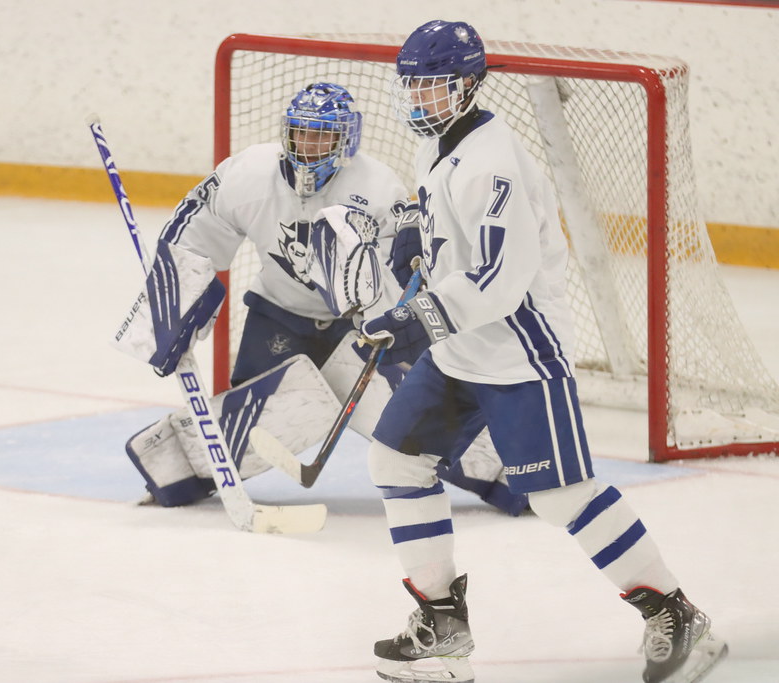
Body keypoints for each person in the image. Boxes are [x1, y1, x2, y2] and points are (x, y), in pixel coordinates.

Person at [359, 20, 728, 683]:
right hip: (458, 348)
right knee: (395, 456)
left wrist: (417, 320)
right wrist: (414, 232)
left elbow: (499, 282)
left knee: (562, 496)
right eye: (411, 87)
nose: (419, 101)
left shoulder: (495, 163)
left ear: (469, 86)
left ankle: (675, 611)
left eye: (434, 89)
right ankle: (442, 626)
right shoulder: (438, 145)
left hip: (517, 352)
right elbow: (442, 216)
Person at [113, 82, 526, 516]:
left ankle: (516, 478)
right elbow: (195, 230)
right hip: (278, 315)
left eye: (322, 134)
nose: (308, 145)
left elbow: (404, 265)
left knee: (417, 418)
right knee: (254, 420)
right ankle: (172, 475)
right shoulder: (250, 174)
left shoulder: (377, 186)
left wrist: (396, 316)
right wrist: (172, 305)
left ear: (347, 138)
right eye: (300, 132)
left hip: (356, 326)